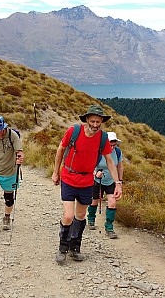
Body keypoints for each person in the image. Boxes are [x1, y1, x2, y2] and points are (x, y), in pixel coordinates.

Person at [52, 105, 122, 264]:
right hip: (69, 177)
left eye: (98, 122)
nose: (95, 125)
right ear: (86, 120)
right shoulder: (73, 132)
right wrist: (56, 172)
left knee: (81, 216)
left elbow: (110, 161)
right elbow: (60, 150)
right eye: (93, 121)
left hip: (87, 181)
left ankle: (75, 247)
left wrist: (118, 183)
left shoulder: (103, 138)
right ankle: (63, 247)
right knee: (69, 215)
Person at [89, 132, 123, 239]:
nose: (112, 147)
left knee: (112, 203)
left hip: (111, 181)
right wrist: (96, 173)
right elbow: (89, 166)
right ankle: (91, 219)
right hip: (97, 180)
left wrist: (119, 181)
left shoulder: (117, 152)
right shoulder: (98, 152)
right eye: (110, 145)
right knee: (95, 200)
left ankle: (109, 228)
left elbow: (120, 167)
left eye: (114, 144)